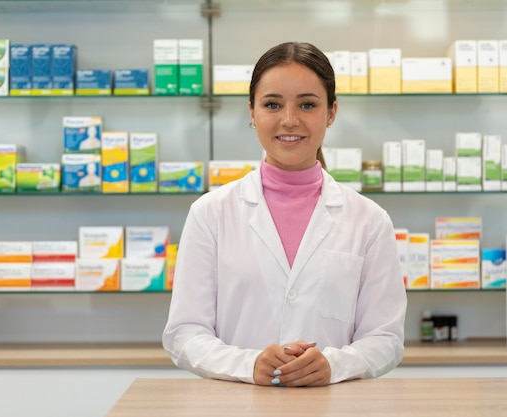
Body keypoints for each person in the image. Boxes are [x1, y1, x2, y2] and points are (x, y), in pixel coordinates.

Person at [163, 41, 407, 387]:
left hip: (332, 408)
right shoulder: (211, 213)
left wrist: (334, 365)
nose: (289, 120)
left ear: (332, 112)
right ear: (252, 112)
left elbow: (386, 338)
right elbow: (185, 333)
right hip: (238, 406)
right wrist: (249, 365)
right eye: (272, 104)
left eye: (307, 104)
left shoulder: (369, 220)